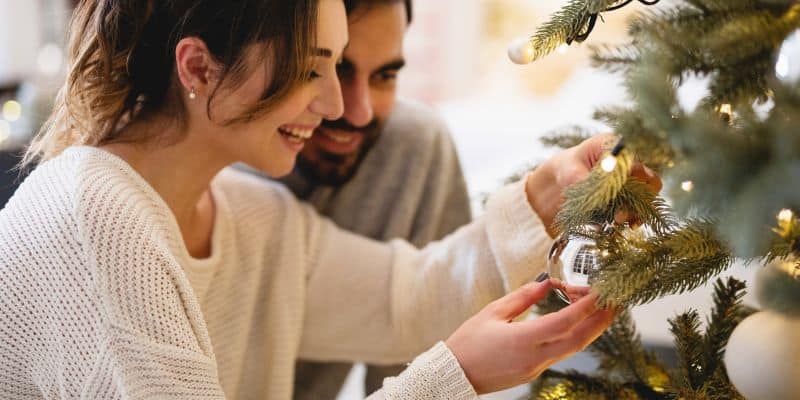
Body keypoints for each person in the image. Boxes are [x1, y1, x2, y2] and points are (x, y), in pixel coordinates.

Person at [0, 0, 647, 398]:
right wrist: (456, 377)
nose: (340, 107)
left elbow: (409, 298)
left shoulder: (254, 220)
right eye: (316, 69)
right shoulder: (94, 218)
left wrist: (545, 194)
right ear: (197, 67)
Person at [278, 1, 473, 397]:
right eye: (331, 69)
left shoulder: (409, 147)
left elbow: (422, 359)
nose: (358, 112)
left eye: (385, 75)